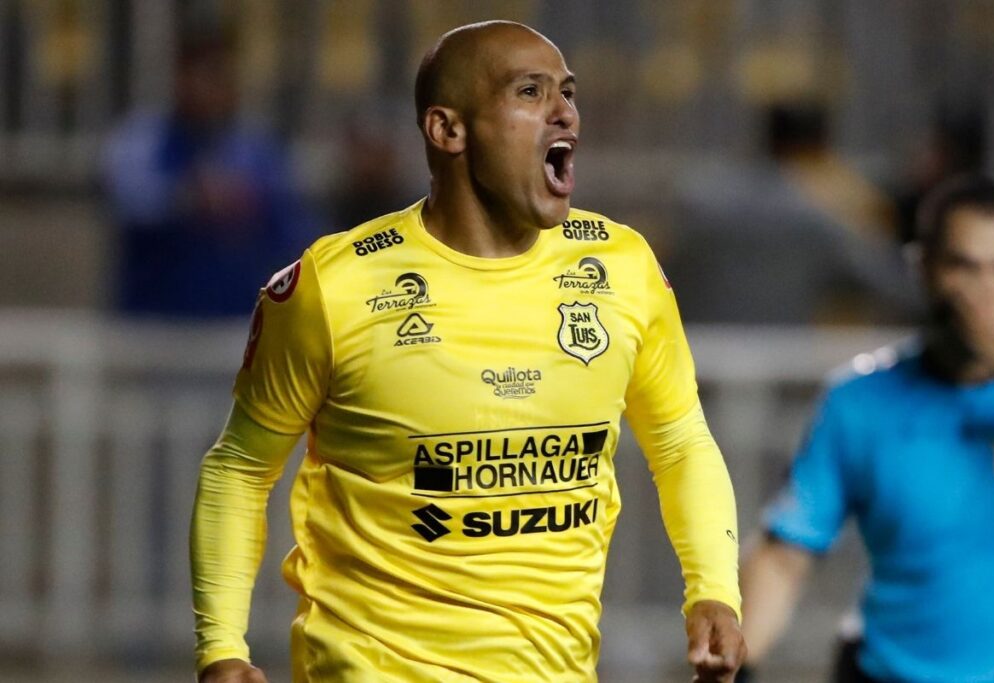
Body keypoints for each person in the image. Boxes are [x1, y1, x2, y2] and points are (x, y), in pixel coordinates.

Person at [190, 20, 745, 683]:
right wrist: (222, 646)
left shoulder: (621, 268)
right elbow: (241, 466)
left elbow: (680, 439)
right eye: (530, 91)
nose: (564, 110)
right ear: (448, 130)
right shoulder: (334, 288)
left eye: (567, 92)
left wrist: (714, 588)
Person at [738, 175, 994, 682]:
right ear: (925, 270)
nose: (986, 292)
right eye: (965, 266)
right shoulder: (861, 403)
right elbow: (785, 555)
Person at [103, 28, 317, 317]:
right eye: (203, 74)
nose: (212, 88)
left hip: (235, 326)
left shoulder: (256, 148)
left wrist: (252, 206)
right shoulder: (142, 139)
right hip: (154, 325)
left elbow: (295, 228)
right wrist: (187, 199)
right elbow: (130, 201)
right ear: (179, 77)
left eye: (222, 76)